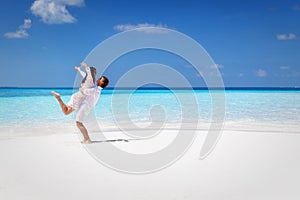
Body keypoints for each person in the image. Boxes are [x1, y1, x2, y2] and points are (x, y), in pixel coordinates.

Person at [51, 63, 109, 144]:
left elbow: (88, 76)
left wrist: (84, 67)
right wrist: (80, 70)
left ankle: (87, 139)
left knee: (70, 116)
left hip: (84, 104)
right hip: (83, 104)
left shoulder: (96, 88)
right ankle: (87, 139)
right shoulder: (94, 86)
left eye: (101, 79)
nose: (98, 79)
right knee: (75, 120)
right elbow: (86, 75)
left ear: (102, 83)